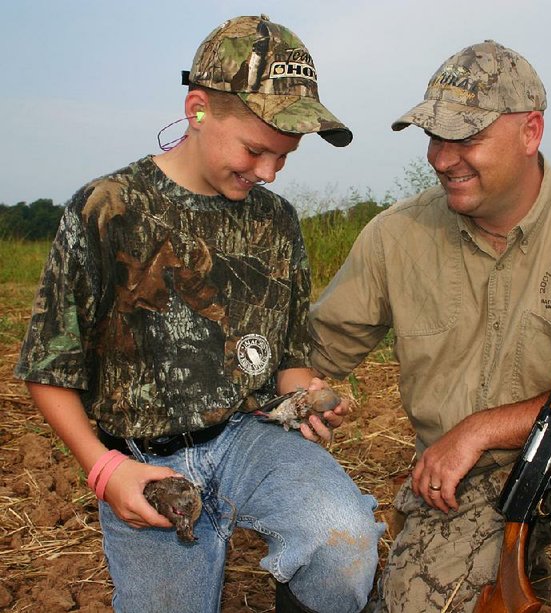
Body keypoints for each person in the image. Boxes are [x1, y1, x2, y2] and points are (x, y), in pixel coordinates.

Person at [310, 40, 551, 612]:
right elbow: (316, 351)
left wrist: (479, 429)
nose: (441, 158)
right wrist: (294, 387)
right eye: (433, 138)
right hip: (459, 486)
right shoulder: (395, 235)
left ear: (530, 133)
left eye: (465, 138)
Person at [15, 15, 383, 613]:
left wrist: (304, 394)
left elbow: (286, 353)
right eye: (255, 149)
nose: (267, 172)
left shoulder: (276, 222)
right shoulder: (108, 209)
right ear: (198, 109)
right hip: (144, 463)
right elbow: (48, 368)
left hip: (250, 438)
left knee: (343, 541)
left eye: (284, 158)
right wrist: (104, 471)